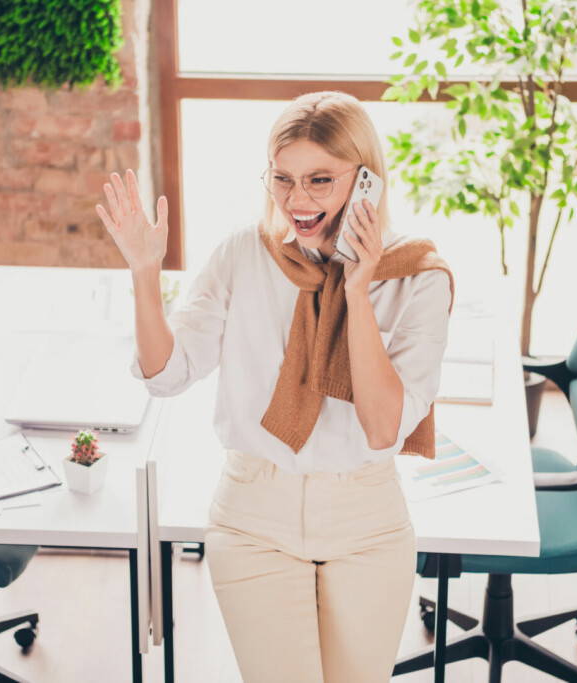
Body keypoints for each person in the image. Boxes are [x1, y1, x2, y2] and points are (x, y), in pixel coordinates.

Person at [95, 90, 453, 683]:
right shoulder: (244, 253)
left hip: (368, 521)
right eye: (282, 179)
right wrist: (143, 272)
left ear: (369, 181)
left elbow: (383, 425)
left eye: (320, 180)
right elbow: (167, 373)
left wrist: (357, 290)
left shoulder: (417, 276)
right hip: (253, 516)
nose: (297, 200)